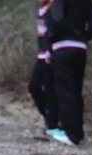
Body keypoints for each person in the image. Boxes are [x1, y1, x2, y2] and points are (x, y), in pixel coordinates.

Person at [44, 0, 92, 146]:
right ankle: (78, 132)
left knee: (65, 91)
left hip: (63, 47)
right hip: (80, 47)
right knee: (76, 89)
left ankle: (71, 134)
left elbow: (57, 19)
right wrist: (83, 36)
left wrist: (51, 38)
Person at [28, 0, 57, 137]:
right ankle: (47, 115)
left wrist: (50, 50)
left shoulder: (54, 9)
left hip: (50, 54)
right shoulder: (41, 10)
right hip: (41, 54)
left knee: (50, 89)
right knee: (34, 87)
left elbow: (54, 31)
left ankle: (52, 122)